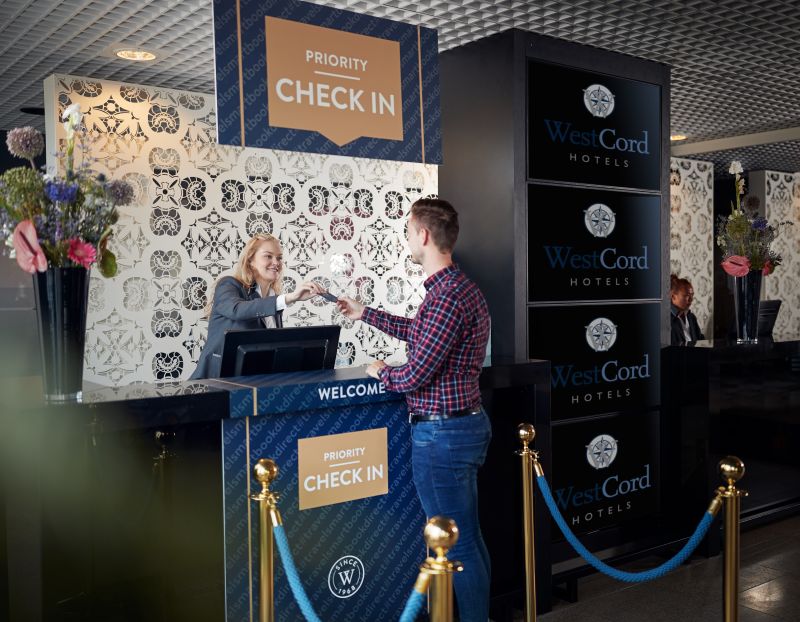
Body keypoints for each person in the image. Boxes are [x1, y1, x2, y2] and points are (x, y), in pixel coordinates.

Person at [337, 198, 492, 622]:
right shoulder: (457, 290)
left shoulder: (445, 298)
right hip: (460, 429)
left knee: (458, 544)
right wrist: (365, 313)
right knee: (468, 538)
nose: (407, 239)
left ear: (423, 235)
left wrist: (381, 371)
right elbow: (420, 332)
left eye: (408, 231)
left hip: (443, 436)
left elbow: (414, 375)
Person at [190, 233, 323, 379]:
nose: (276, 262)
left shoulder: (273, 299)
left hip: (249, 383)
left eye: (279, 258)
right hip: (213, 383)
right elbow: (237, 310)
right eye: (268, 256)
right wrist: (289, 298)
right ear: (250, 260)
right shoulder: (228, 285)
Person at [670, 274, 705, 345]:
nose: (691, 299)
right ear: (673, 297)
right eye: (686, 295)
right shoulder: (665, 320)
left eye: (692, 295)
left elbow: (700, 340)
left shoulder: (691, 317)